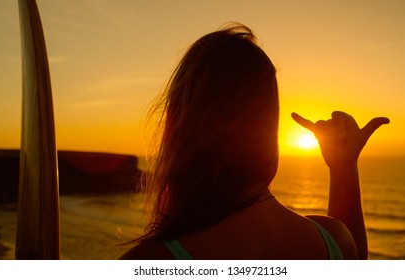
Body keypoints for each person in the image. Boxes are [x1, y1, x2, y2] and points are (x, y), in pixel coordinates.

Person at [120, 24, 389, 260]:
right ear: (268, 125)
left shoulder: (151, 261)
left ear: (181, 125)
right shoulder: (334, 241)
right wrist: (343, 166)